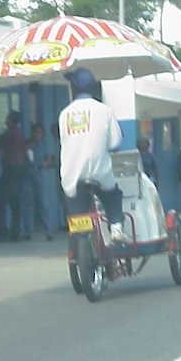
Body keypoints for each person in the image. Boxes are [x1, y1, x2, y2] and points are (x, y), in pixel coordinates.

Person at [58, 67, 127, 243]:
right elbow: (115, 143)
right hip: (100, 173)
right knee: (113, 195)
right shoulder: (105, 111)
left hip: (72, 176)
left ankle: (78, 233)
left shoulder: (64, 114)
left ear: (73, 88)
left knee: (76, 208)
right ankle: (116, 228)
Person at [0, 110, 27, 242]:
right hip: (20, 170)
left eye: (7, 119)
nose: (6, 121)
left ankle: (3, 232)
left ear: (11, 121)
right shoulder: (20, 134)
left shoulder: (7, 134)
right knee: (15, 202)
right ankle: (15, 232)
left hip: (9, 170)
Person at [21, 123, 53, 241]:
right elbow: (23, 158)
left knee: (43, 204)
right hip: (28, 176)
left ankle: (48, 231)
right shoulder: (27, 144)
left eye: (39, 133)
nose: (37, 135)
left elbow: (49, 159)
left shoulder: (45, 144)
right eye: (35, 132)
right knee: (28, 204)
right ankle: (27, 231)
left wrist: (45, 163)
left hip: (40, 175)